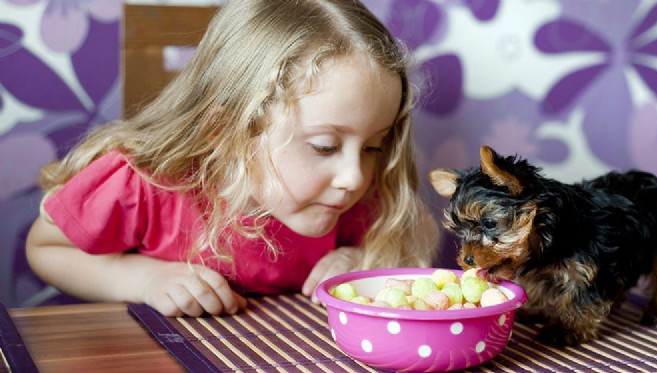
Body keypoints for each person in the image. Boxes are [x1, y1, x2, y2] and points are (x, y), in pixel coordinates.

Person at [25, 0, 440, 317]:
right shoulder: (145, 184)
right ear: (227, 132)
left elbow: (410, 231)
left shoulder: (345, 201)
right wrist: (144, 278)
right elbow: (45, 248)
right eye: (325, 147)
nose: (354, 177)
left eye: (373, 147)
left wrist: (362, 263)